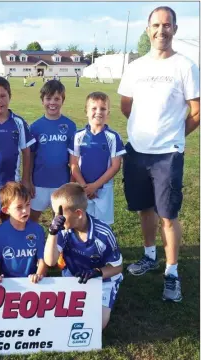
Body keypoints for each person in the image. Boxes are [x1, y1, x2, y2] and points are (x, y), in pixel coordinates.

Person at [118, 6, 199, 302]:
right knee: (144, 208)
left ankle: (172, 272)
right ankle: (150, 255)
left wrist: (173, 137)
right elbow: (127, 106)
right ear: (147, 28)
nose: (161, 30)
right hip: (137, 152)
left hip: (168, 154)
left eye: (167, 25)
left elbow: (196, 111)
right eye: (156, 25)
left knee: (168, 214)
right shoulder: (136, 66)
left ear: (175, 29)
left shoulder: (186, 66)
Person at [44, 183, 123, 329]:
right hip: (73, 277)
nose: (56, 218)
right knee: (61, 320)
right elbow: (50, 261)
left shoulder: (103, 234)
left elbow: (118, 267)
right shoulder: (62, 229)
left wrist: (98, 272)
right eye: (55, 213)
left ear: (78, 213)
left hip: (102, 280)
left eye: (60, 213)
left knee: (97, 325)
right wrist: (52, 232)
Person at [0, 76, 35, 244]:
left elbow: (26, 151)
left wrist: (26, 179)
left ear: (10, 96)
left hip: (13, 181)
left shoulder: (18, 123)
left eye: (3, 96)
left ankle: (11, 245)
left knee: (12, 216)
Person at [69, 92, 125, 225]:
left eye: (103, 109)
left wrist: (95, 186)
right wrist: (84, 187)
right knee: (82, 224)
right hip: (82, 189)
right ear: (86, 112)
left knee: (102, 226)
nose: (98, 112)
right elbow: (73, 165)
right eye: (94, 108)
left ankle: (102, 246)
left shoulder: (113, 137)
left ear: (108, 112)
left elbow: (115, 166)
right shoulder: (78, 136)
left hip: (104, 190)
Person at [29, 80, 76, 223]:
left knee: (62, 219)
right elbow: (30, 156)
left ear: (63, 100)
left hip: (61, 182)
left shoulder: (70, 126)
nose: (52, 102)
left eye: (57, 98)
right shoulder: (35, 127)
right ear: (42, 101)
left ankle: (58, 244)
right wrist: (29, 180)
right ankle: (35, 243)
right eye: (48, 98)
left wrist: (72, 182)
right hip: (39, 182)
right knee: (32, 218)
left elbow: (74, 157)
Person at [0, 182, 47, 283]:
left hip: (32, 282)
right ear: (6, 210)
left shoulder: (38, 230)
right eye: (19, 207)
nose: (25, 210)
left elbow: (43, 261)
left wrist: (38, 275)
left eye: (27, 205)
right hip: (7, 283)